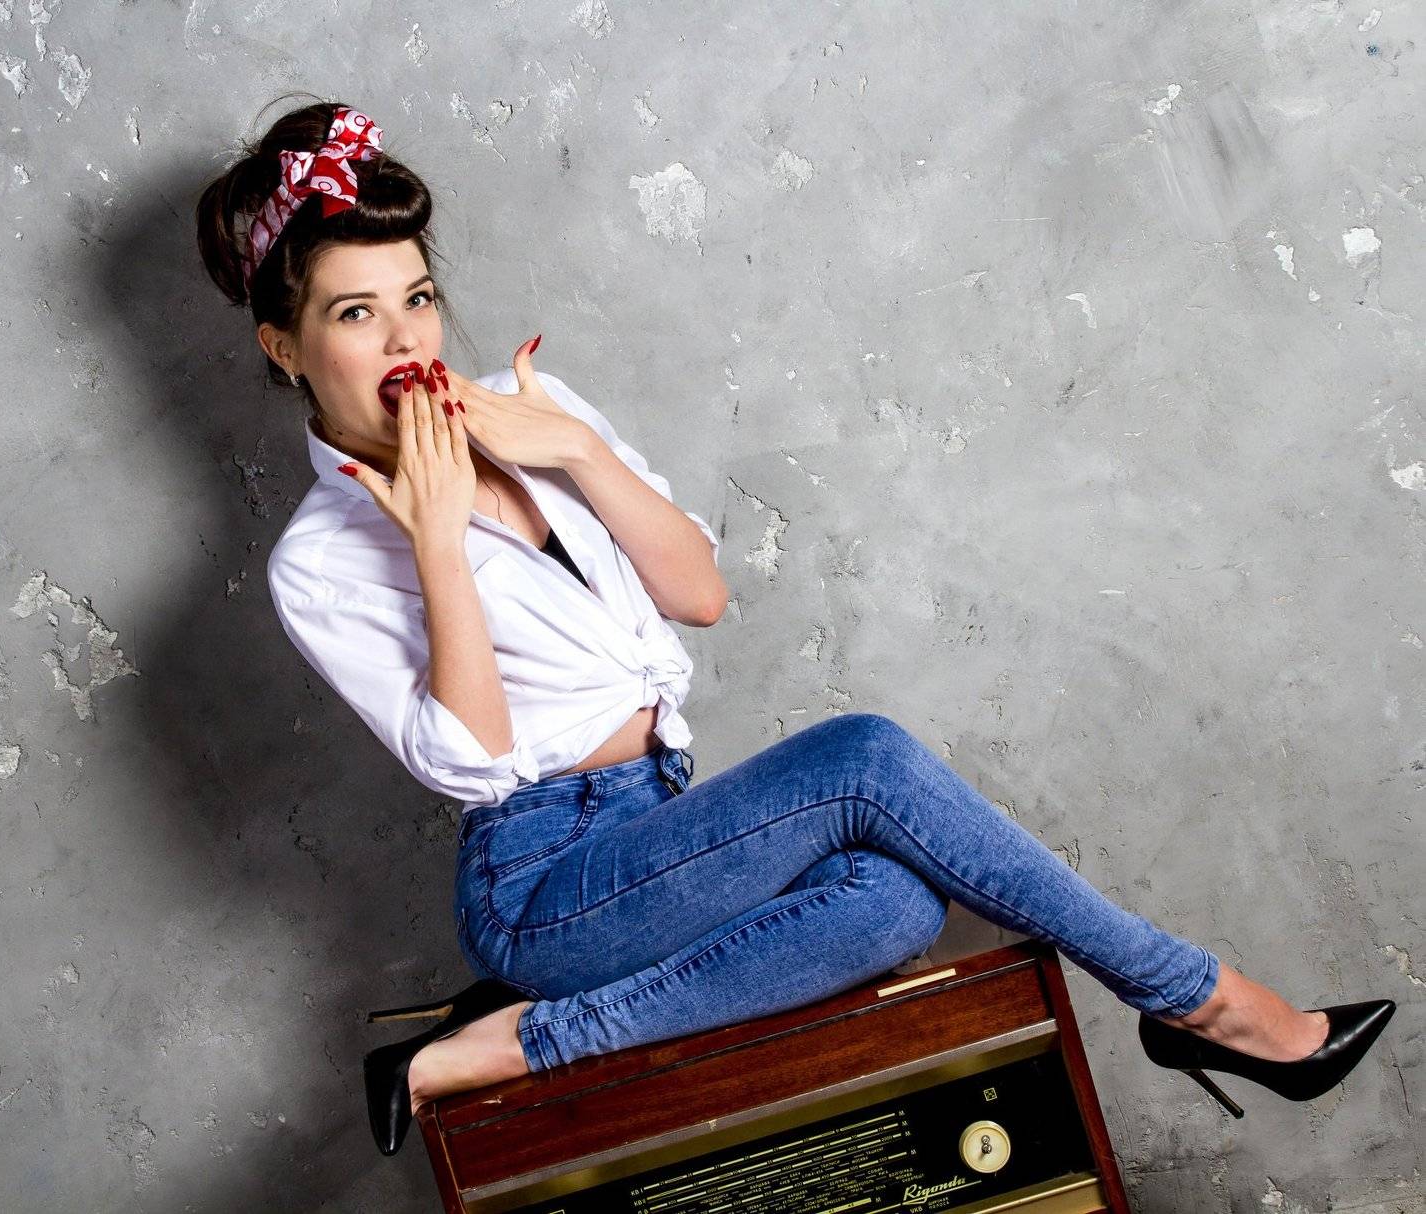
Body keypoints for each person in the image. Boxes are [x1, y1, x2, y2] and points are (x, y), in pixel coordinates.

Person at [195, 96, 1396, 1159]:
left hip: (660, 823)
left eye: (417, 297)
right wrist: (434, 539)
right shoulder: (320, 559)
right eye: (356, 313)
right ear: (284, 345)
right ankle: (1196, 998)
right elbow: (474, 759)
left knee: (894, 901)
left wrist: (571, 446)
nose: (408, 340)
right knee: (865, 757)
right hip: (543, 881)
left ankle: (520, 1038)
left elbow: (698, 593)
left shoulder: (530, 410)